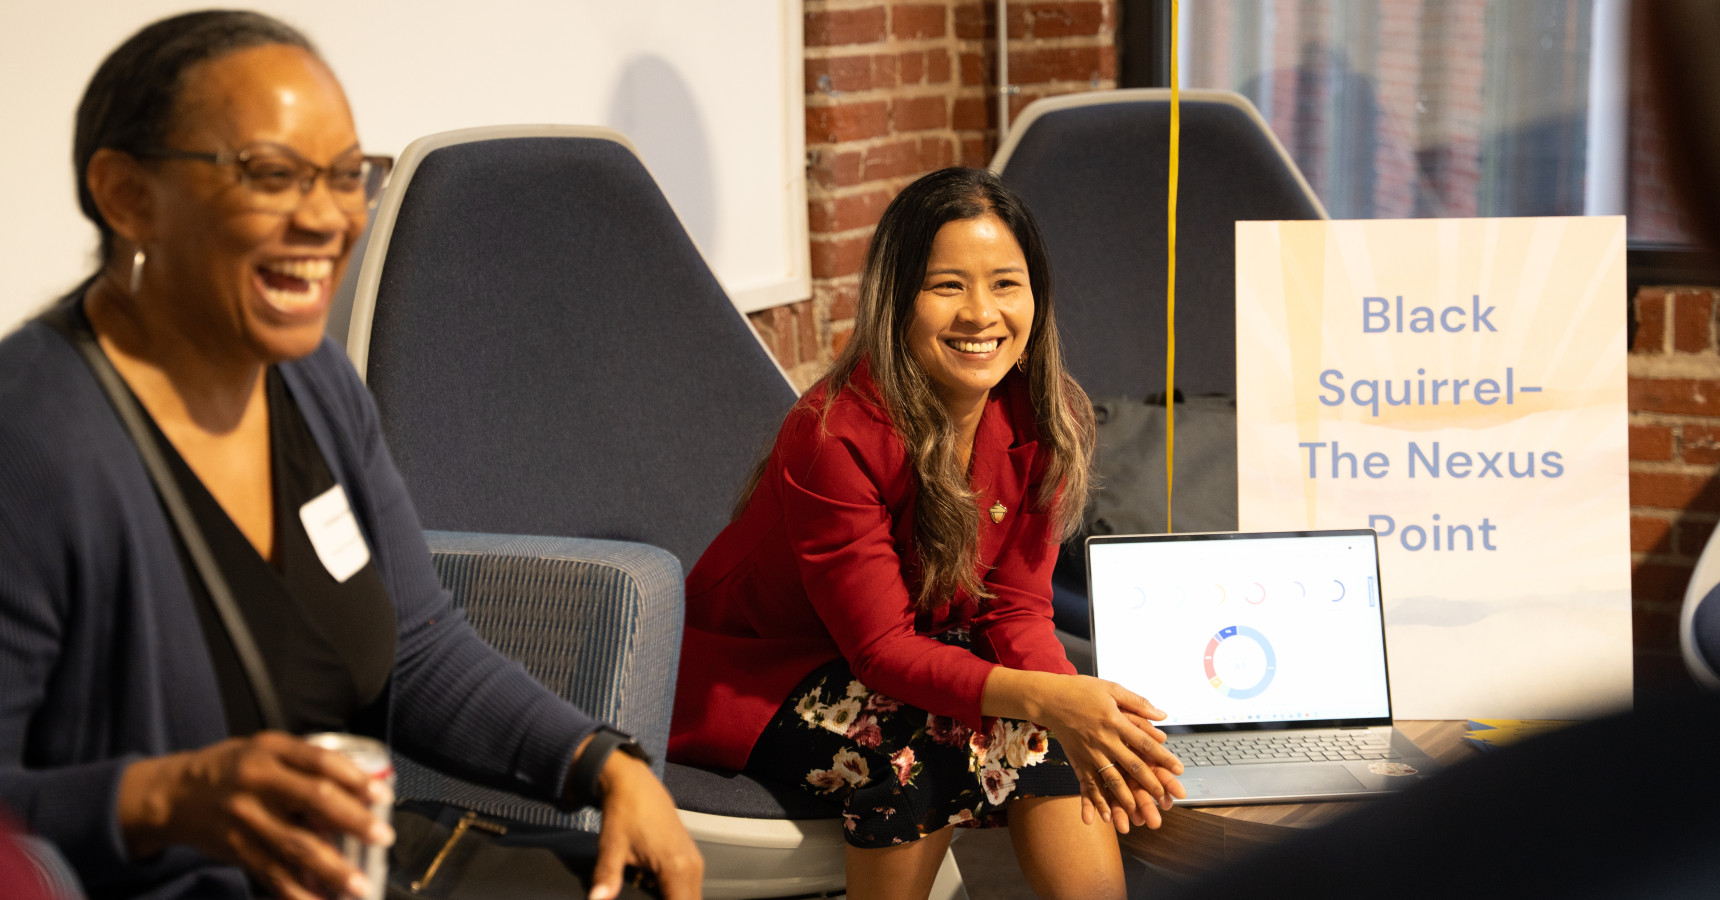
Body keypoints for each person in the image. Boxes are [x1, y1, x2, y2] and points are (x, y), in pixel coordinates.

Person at [0, 11, 700, 900]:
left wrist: (600, 762)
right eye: (273, 175)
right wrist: (162, 797)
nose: (328, 217)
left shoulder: (313, 381)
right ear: (126, 195)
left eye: (344, 176)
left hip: (352, 865)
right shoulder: (32, 441)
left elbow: (417, 650)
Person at [668, 167, 1185, 900]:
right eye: (948, 286)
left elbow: (1016, 611)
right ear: (897, 298)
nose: (982, 314)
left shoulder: (1047, 414)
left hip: (906, 660)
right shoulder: (832, 433)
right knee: (922, 746)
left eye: (1005, 283)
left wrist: (1069, 708)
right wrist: (1049, 700)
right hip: (759, 673)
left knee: (1047, 729)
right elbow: (880, 652)